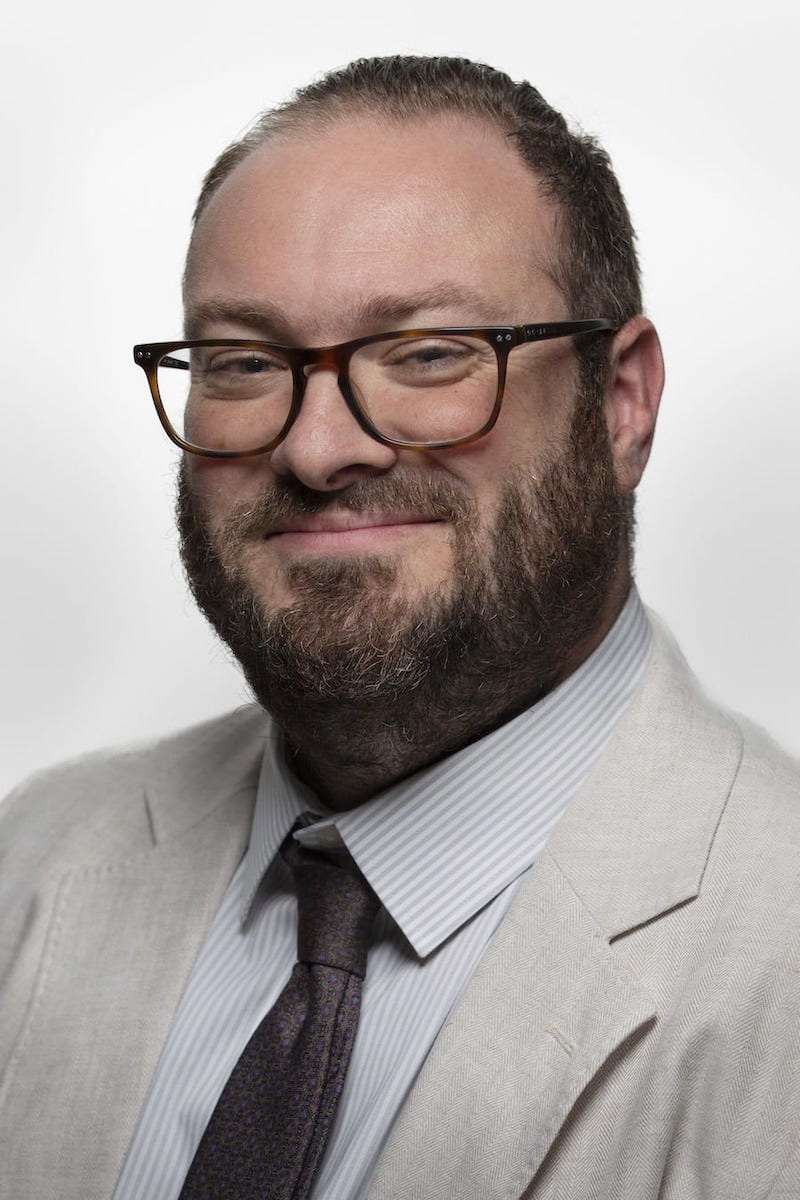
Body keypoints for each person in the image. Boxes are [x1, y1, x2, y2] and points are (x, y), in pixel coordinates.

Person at [1, 55, 798, 1200]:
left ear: (620, 404)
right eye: (242, 361)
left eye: (428, 353)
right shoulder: (34, 858)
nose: (317, 447)